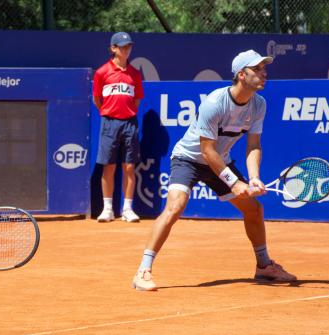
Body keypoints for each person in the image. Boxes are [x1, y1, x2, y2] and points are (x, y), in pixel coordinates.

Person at [132, 50, 297, 292]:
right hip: (189, 158)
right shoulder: (214, 103)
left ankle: (264, 266)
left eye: (264, 67)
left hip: (220, 161)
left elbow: (253, 146)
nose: (264, 72)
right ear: (242, 74)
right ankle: (143, 271)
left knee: (253, 209)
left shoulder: (259, 105)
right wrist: (234, 183)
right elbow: (207, 151)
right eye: (258, 69)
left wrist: (253, 178)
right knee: (175, 206)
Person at [92, 31, 144, 223]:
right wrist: (110, 112)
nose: (127, 50)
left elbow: (137, 100)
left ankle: (127, 209)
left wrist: (126, 113)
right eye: (123, 46)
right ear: (113, 49)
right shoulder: (101, 73)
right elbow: (98, 99)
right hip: (109, 122)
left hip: (130, 123)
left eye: (129, 46)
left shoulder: (135, 74)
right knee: (109, 166)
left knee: (130, 167)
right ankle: (108, 209)